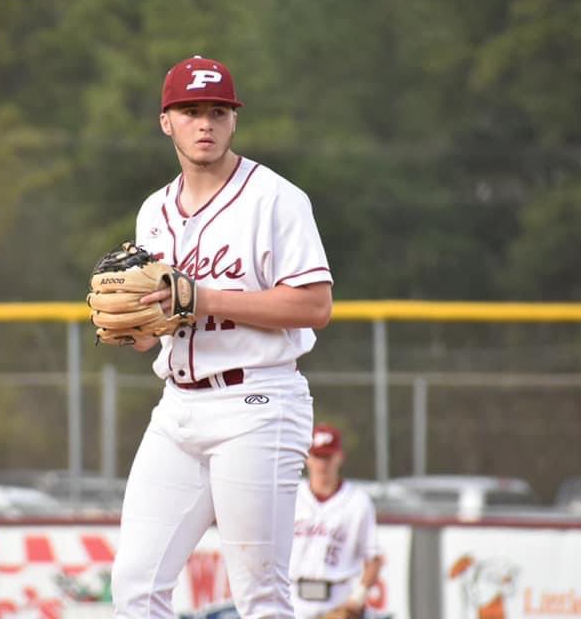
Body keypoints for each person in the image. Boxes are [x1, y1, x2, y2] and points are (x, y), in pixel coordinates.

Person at [109, 55, 334, 618]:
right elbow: (167, 319)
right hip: (177, 408)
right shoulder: (152, 212)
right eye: (190, 111)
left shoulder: (277, 199)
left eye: (217, 111)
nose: (204, 123)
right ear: (167, 121)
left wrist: (203, 298)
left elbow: (315, 304)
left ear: (234, 119)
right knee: (135, 587)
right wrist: (139, 331)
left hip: (257, 403)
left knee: (259, 596)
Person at [290, 423, 383, 619]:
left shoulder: (357, 501)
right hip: (293, 600)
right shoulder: (290, 496)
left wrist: (356, 600)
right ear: (307, 458)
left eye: (328, 457)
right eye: (317, 456)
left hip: (338, 600)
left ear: (340, 457)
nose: (322, 464)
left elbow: (374, 558)